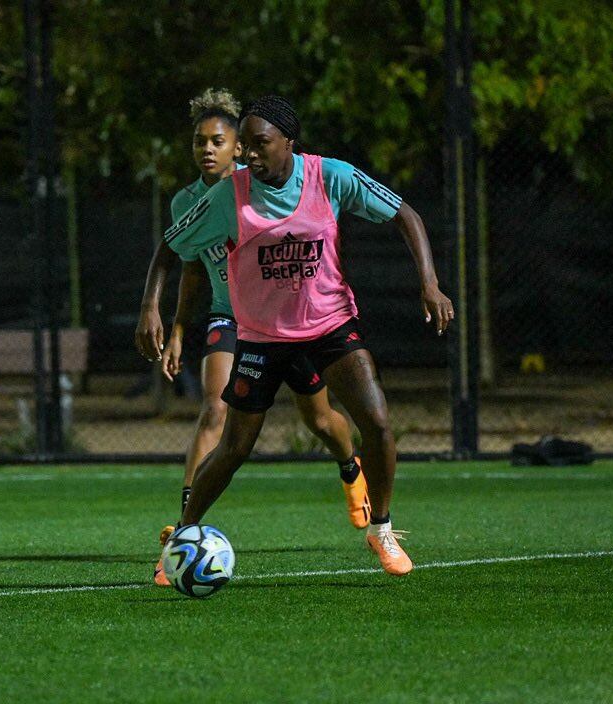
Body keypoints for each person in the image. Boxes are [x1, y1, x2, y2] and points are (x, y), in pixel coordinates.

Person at [164, 95, 454, 576]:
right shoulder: (228, 194)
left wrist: (429, 282)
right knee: (234, 447)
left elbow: (407, 215)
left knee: (377, 422)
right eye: (247, 146)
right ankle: (182, 534)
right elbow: (172, 247)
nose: (250, 155)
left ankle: (381, 530)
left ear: (288, 143)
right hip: (260, 335)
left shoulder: (330, 176)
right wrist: (157, 313)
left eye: (260, 145)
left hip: (330, 325)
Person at [136, 89, 369, 587]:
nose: (207, 150)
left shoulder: (257, 185)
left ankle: (350, 467)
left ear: (239, 147)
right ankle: (183, 533)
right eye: (199, 142)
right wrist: (177, 328)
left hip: (288, 321)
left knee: (323, 421)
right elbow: (191, 267)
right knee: (215, 411)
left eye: (218, 141)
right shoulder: (189, 201)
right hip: (230, 319)